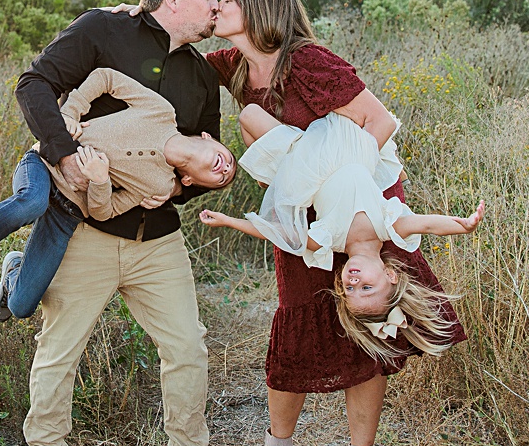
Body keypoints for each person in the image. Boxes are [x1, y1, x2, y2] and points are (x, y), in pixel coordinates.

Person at [110, 0, 467, 446]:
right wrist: (132, 18)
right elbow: (167, 52)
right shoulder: (230, 65)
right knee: (298, 319)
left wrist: (335, 188)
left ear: (260, 11)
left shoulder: (309, 62)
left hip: (363, 203)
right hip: (303, 218)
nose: (219, 5)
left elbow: (379, 122)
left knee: (365, 336)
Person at [10, 0, 251, 446]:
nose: (216, 3)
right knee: (58, 349)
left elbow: (206, 161)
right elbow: (34, 84)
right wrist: (64, 155)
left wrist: (183, 190)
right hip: (87, 230)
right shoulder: (103, 30)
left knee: (187, 344)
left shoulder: (200, 76)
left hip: (159, 237)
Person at [0, 66, 238, 321]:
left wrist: (99, 181)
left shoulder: (160, 187)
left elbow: (103, 212)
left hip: (70, 211)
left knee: (22, 306)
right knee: (31, 201)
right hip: (44, 163)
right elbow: (106, 77)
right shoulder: (160, 111)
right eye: (229, 162)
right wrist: (70, 112)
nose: (225, 170)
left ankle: (14, 273)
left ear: (192, 181)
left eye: (222, 179)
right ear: (208, 137)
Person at [199, 103, 485, 358]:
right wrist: (465, 226)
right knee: (351, 111)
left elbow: (276, 233)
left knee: (249, 114)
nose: (355, 280)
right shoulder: (389, 225)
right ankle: (270, 177)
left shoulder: (327, 240)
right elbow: (430, 224)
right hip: (352, 148)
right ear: (390, 274)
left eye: (350, 289)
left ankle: (271, 178)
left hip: (307, 163)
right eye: (367, 287)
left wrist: (228, 221)